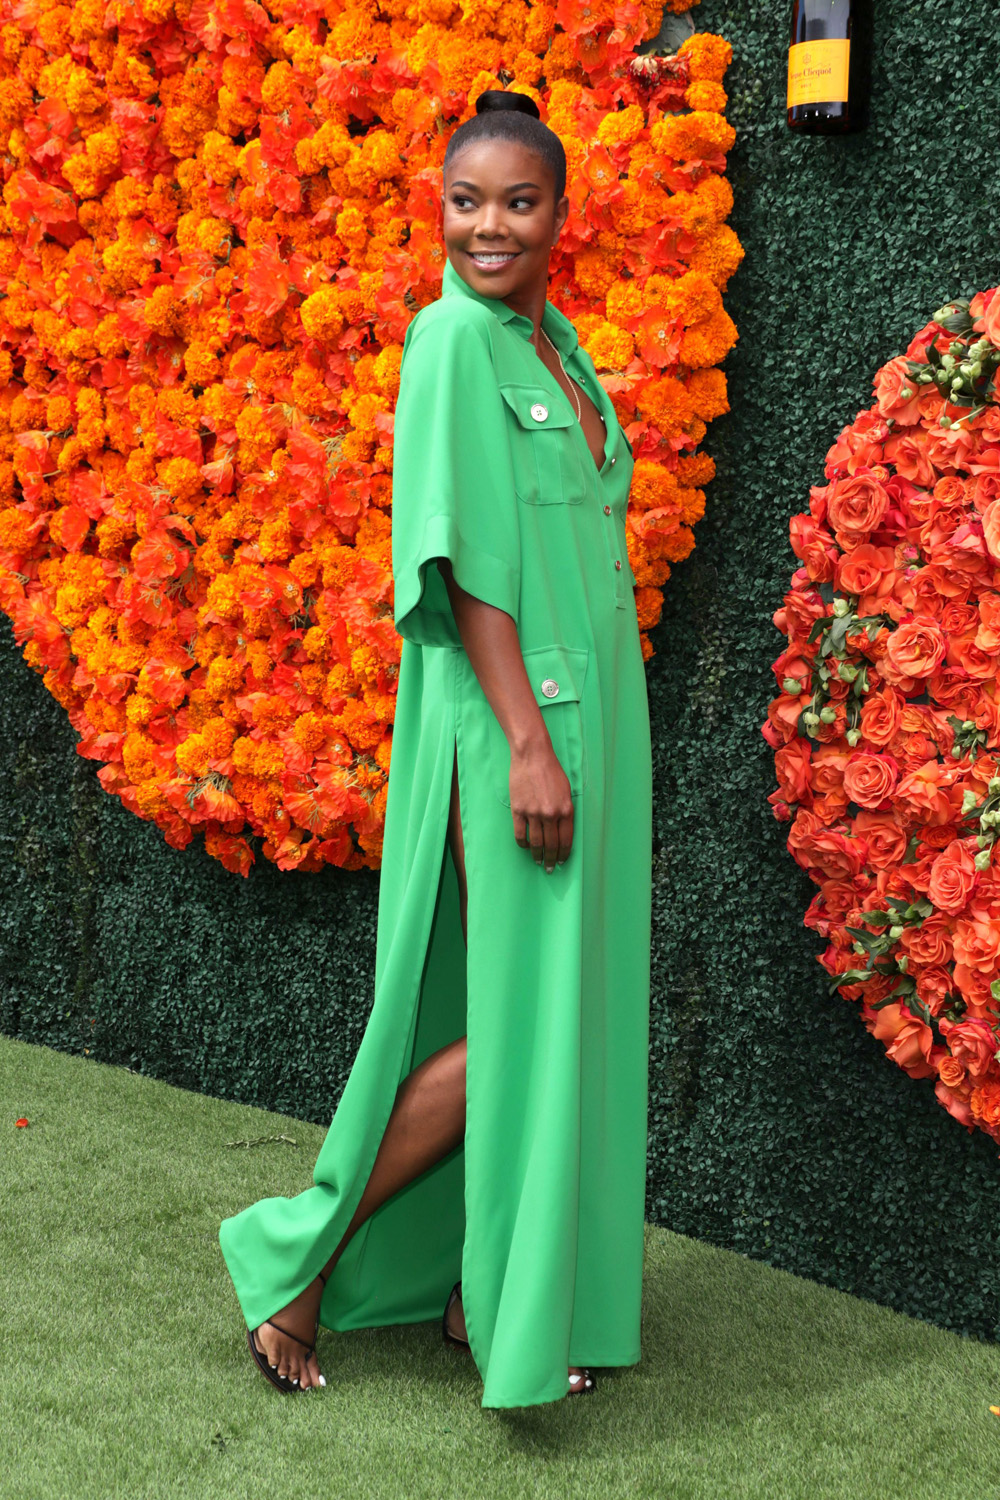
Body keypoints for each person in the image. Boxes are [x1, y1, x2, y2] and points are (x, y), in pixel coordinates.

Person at [219, 89, 653, 1410]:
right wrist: (525, 742)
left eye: (519, 201)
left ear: (560, 217)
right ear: (441, 207)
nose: (489, 224)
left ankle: (489, 1293)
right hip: (524, 727)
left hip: (599, 726)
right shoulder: (452, 341)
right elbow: (458, 561)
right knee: (522, 1029)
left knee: (563, 1021)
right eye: (467, 200)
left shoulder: (553, 349)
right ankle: (298, 1267)